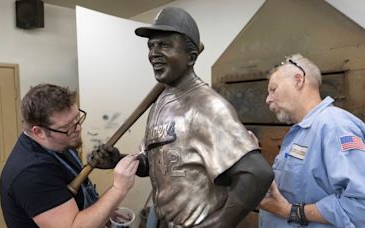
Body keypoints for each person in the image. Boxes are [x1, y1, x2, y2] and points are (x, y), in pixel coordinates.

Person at [89, 7, 273, 227]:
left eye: (164, 45)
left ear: (191, 57)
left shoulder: (207, 106)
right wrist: (118, 159)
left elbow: (257, 174)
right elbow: (154, 163)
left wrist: (220, 223)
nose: (154, 53)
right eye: (151, 46)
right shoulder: (160, 104)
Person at [0, 83, 139, 228]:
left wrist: (105, 212)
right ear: (39, 132)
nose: (78, 128)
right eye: (67, 127)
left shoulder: (60, 143)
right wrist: (118, 189)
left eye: (77, 119)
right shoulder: (31, 173)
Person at [259, 54, 365, 227]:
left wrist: (293, 211)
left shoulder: (335, 126)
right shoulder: (301, 132)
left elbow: (361, 206)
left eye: (273, 89)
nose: (268, 99)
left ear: (298, 80)